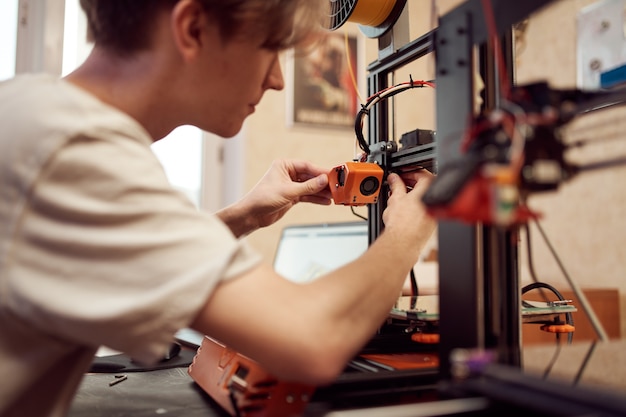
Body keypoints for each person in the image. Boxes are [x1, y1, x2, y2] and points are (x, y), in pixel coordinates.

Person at [0, 1, 436, 416]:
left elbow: (121, 256)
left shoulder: (30, 111)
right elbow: (312, 338)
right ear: (193, 29)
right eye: (270, 48)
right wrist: (407, 231)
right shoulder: (76, 152)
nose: (278, 80)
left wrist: (246, 214)